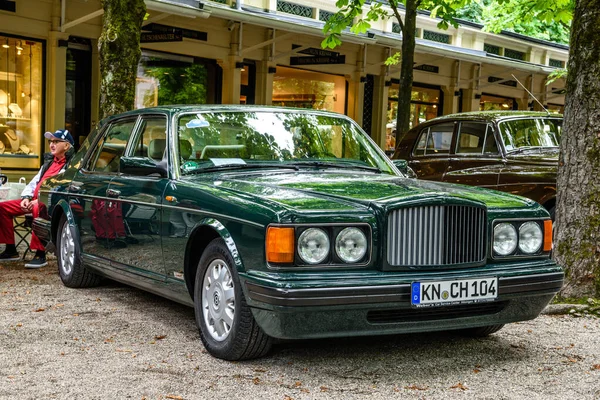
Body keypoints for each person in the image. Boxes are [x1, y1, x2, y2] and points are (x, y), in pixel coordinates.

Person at [0, 129, 75, 268]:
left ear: (66, 145)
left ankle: (40, 254)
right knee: (3, 207)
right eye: (50, 142)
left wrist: (38, 200)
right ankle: (11, 249)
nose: (52, 144)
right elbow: (34, 182)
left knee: (37, 207)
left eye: (56, 141)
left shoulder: (70, 166)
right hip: (34, 200)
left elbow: (59, 189)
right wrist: (26, 197)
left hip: (48, 204)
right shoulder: (49, 163)